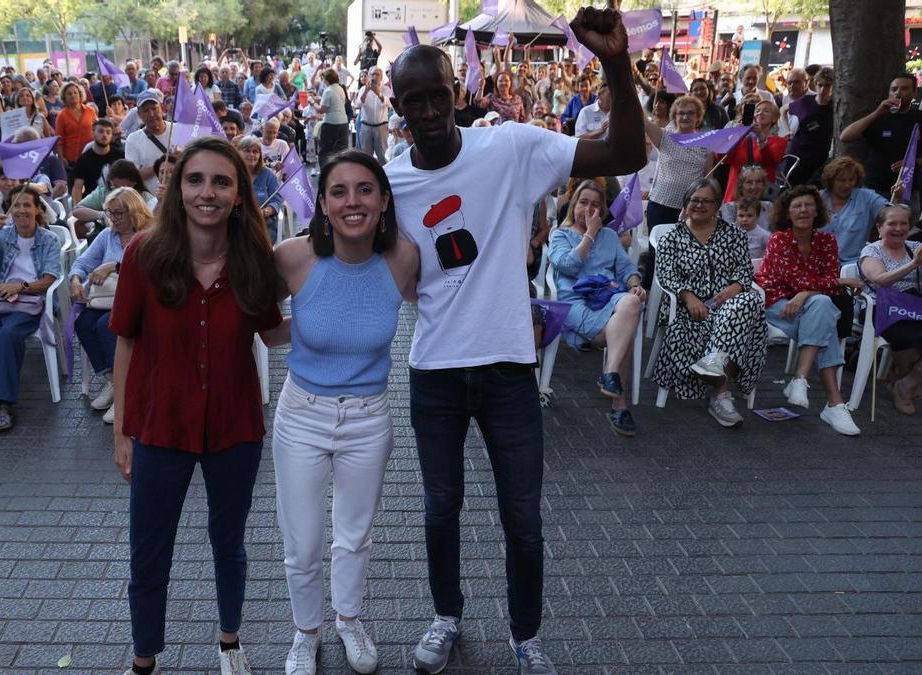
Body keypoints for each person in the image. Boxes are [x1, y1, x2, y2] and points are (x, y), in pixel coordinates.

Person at [385, 6, 646, 670]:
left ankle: (525, 634)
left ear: (457, 91)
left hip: (507, 368)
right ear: (398, 107)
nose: (429, 109)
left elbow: (627, 154)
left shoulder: (510, 147)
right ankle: (446, 615)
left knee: (523, 519)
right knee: (440, 510)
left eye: (438, 94)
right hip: (435, 371)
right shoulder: (391, 179)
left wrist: (616, 63)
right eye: (413, 100)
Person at [109, 137, 282, 675]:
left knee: (228, 542)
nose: (207, 192)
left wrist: (342, 301)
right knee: (149, 551)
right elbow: (126, 343)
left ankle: (230, 642)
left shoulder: (254, 258)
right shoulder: (144, 252)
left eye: (221, 182)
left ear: (238, 194)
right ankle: (144, 658)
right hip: (161, 428)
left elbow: (274, 335)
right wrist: (121, 431)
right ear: (177, 187)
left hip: (235, 429)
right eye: (196, 180)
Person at [267, 149, 419, 675]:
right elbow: (264, 327)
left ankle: (348, 618)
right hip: (301, 416)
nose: (352, 201)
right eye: (338, 191)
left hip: (369, 418)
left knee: (354, 533)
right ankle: (305, 632)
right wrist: (308, 331)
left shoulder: (403, 257)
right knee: (302, 542)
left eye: (364, 190)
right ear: (323, 204)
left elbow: (448, 305)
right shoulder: (293, 257)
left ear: (382, 200)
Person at [651, 178, 767, 426]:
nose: (700, 205)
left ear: (717, 206)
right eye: (695, 200)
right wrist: (688, 295)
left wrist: (733, 289)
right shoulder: (672, 237)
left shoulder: (733, 233)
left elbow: (745, 272)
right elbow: (666, 274)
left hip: (730, 306)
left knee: (748, 301)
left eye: (707, 201)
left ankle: (715, 367)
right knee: (745, 318)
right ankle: (721, 395)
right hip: (687, 308)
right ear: (685, 204)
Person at [755, 185, 863, 436]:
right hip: (777, 305)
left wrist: (806, 294)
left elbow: (816, 285)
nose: (803, 210)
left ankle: (801, 380)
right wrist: (839, 282)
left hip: (809, 306)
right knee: (824, 316)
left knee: (823, 305)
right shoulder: (779, 239)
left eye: (808, 205)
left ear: (817, 211)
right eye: (797, 206)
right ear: (787, 213)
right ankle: (833, 403)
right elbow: (790, 280)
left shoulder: (827, 241)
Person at [549, 180, 646, 435]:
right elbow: (568, 266)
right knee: (626, 330)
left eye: (595, 204)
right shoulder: (560, 235)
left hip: (609, 295)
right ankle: (619, 405)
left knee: (632, 301)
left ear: (603, 209)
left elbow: (626, 269)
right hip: (575, 303)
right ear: (573, 205)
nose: (589, 209)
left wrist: (635, 284)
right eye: (583, 203)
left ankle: (610, 372)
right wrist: (589, 235)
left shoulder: (610, 236)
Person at [0, 183, 62, 435]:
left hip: (30, 300)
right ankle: (3, 403)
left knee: (9, 335)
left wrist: (20, 286)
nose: (21, 210)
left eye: (26, 205)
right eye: (16, 205)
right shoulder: (4, 234)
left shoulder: (49, 238)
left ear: (37, 209)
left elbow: (51, 278)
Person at [69, 187, 152, 424]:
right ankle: (114, 382)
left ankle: (124, 395)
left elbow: (151, 270)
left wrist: (115, 266)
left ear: (134, 212)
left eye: (118, 213)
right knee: (83, 322)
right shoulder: (108, 235)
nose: (112, 218)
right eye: (110, 212)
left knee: (108, 324)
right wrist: (75, 279)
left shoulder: (148, 235)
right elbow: (83, 262)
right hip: (108, 300)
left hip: (141, 302)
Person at [859, 204, 922, 414]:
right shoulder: (871, 250)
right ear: (879, 227)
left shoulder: (915, 247)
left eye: (903, 223)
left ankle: (905, 381)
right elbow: (880, 281)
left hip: (914, 305)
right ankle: (904, 382)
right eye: (891, 223)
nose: (898, 228)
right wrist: (913, 264)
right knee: (910, 338)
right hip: (881, 308)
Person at [838, 74, 922, 199]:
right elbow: (845, 136)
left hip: (907, 189)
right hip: (875, 187)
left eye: (904, 89)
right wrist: (876, 113)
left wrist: (912, 163)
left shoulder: (918, 117)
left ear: (914, 93)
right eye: (894, 89)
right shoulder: (878, 116)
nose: (898, 93)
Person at [644, 95, 713, 230]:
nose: (685, 117)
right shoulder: (664, 136)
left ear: (698, 116)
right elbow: (643, 121)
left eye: (690, 113)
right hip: (660, 206)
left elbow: (708, 177)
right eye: (681, 113)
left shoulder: (707, 143)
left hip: (691, 209)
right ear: (674, 117)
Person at [819, 157, 889, 266]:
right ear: (831, 180)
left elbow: (890, 214)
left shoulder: (867, 197)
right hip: (818, 262)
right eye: (842, 180)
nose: (847, 185)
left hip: (854, 264)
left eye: (851, 180)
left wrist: (898, 198)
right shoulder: (817, 198)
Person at [720, 100, 786, 203]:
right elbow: (722, 158)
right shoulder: (741, 139)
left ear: (774, 118)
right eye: (757, 110)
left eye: (766, 111)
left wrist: (760, 135)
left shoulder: (779, 141)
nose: (760, 113)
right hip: (735, 196)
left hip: (761, 198)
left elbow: (770, 160)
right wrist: (735, 135)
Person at [786, 67, 834, 186]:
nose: (823, 89)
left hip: (820, 158)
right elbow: (783, 110)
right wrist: (787, 130)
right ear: (815, 84)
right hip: (799, 155)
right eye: (820, 85)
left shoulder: (835, 106)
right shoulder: (806, 101)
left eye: (827, 85)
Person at [72, 159, 153, 223]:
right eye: (116, 187)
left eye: (126, 187)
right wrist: (102, 215)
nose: (120, 192)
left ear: (134, 183)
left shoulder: (144, 197)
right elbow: (77, 211)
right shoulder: (105, 192)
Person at [123, 90, 172, 195]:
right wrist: (160, 165)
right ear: (139, 114)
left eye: (154, 108)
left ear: (162, 109)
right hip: (150, 202)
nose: (151, 114)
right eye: (145, 110)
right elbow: (133, 177)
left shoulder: (178, 131)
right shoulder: (133, 140)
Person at [237, 136, 282, 244]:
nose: (252, 155)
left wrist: (265, 212)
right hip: (237, 223)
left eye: (255, 151)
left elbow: (277, 200)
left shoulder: (268, 174)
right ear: (238, 153)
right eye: (247, 151)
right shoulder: (233, 173)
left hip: (264, 225)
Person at [72, 119, 125, 204]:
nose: (104, 135)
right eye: (101, 131)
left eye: (108, 132)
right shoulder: (84, 159)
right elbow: (77, 187)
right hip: (92, 204)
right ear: (93, 133)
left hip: (117, 203)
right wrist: (78, 209)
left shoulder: (120, 156)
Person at [55, 82, 97, 168]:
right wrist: (61, 157)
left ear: (80, 94)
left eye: (75, 92)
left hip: (91, 154)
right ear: (64, 97)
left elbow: (97, 130)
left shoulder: (90, 111)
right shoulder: (61, 115)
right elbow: (59, 139)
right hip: (71, 159)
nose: (73, 95)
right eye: (69, 94)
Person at [719, 165, 774, 230]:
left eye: (758, 182)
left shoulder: (768, 206)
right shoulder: (730, 208)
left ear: (763, 185)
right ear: (741, 186)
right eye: (749, 182)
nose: (754, 187)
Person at [315, 69, 350, 168]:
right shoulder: (340, 88)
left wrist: (312, 103)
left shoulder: (328, 90)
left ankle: (325, 174)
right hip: (343, 122)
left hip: (331, 123)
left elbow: (322, 110)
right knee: (341, 151)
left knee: (326, 151)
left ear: (326, 80)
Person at [355, 68, 390, 163]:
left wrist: (379, 94)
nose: (375, 76)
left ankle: (384, 177)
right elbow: (358, 105)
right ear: (369, 76)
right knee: (366, 157)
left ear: (381, 76)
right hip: (366, 127)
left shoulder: (386, 89)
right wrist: (366, 92)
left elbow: (389, 104)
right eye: (372, 74)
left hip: (381, 128)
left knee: (383, 156)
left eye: (377, 74)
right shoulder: (363, 89)